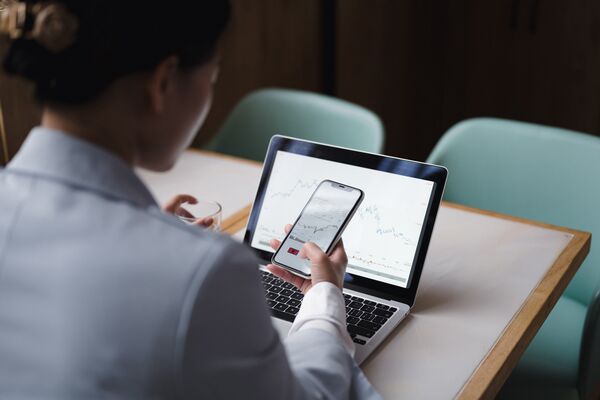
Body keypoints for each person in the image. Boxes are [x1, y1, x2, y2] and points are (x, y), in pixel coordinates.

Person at [0, 1, 381, 398]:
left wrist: (146, 225)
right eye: (212, 77)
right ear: (162, 83)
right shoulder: (205, 270)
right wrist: (326, 295)